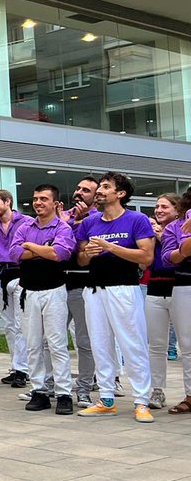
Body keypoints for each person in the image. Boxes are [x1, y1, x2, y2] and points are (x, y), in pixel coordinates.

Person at [75, 172, 155, 422]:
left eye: (106, 187)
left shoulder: (137, 220)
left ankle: (142, 401)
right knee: (100, 344)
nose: (100, 191)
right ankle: (106, 399)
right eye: (100, 186)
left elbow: (146, 257)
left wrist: (110, 247)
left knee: (133, 344)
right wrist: (88, 253)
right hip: (94, 290)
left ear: (120, 194)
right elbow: (81, 259)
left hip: (124, 289)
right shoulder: (89, 222)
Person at [9, 184, 77, 415]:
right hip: (29, 291)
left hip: (54, 291)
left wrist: (30, 247)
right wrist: (44, 249)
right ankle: (39, 391)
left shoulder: (63, 228)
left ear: (55, 204)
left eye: (43, 199)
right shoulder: (25, 227)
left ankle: (64, 393)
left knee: (57, 344)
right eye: (35, 198)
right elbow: (14, 253)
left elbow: (60, 254)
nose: (38, 202)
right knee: (33, 344)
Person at [0, 190, 30, 387]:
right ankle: (15, 366)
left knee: (21, 323)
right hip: (0, 273)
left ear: (7, 201)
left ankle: (22, 369)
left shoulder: (25, 221)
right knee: (9, 325)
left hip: (20, 272)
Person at [63, 176, 100, 407]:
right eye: (78, 188)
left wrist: (74, 224)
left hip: (83, 285)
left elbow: (81, 253)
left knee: (84, 340)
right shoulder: (63, 217)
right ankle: (51, 385)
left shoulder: (98, 219)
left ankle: (85, 387)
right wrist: (65, 223)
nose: (79, 193)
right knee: (50, 340)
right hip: (58, 285)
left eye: (86, 190)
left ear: (96, 197)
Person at [144, 194, 180, 410]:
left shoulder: (182, 229)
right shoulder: (150, 231)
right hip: (154, 290)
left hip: (179, 289)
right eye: (157, 206)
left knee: (187, 344)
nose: (159, 210)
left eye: (164, 206)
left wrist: (164, 237)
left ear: (176, 210)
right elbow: (145, 263)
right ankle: (157, 390)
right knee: (156, 345)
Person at [160, 189, 191, 415]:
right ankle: (190, 396)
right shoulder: (175, 226)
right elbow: (167, 258)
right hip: (185, 285)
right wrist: (184, 249)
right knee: (188, 345)